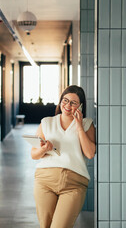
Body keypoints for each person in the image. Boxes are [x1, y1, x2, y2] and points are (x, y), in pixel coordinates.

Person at [31, 85, 96, 228]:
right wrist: (43, 150)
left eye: (73, 103)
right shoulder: (47, 122)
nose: (68, 105)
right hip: (45, 181)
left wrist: (79, 126)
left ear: (81, 106)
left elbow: (90, 153)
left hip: (74, 184)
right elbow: (34, 155)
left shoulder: (87, 124)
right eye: (65, 100)